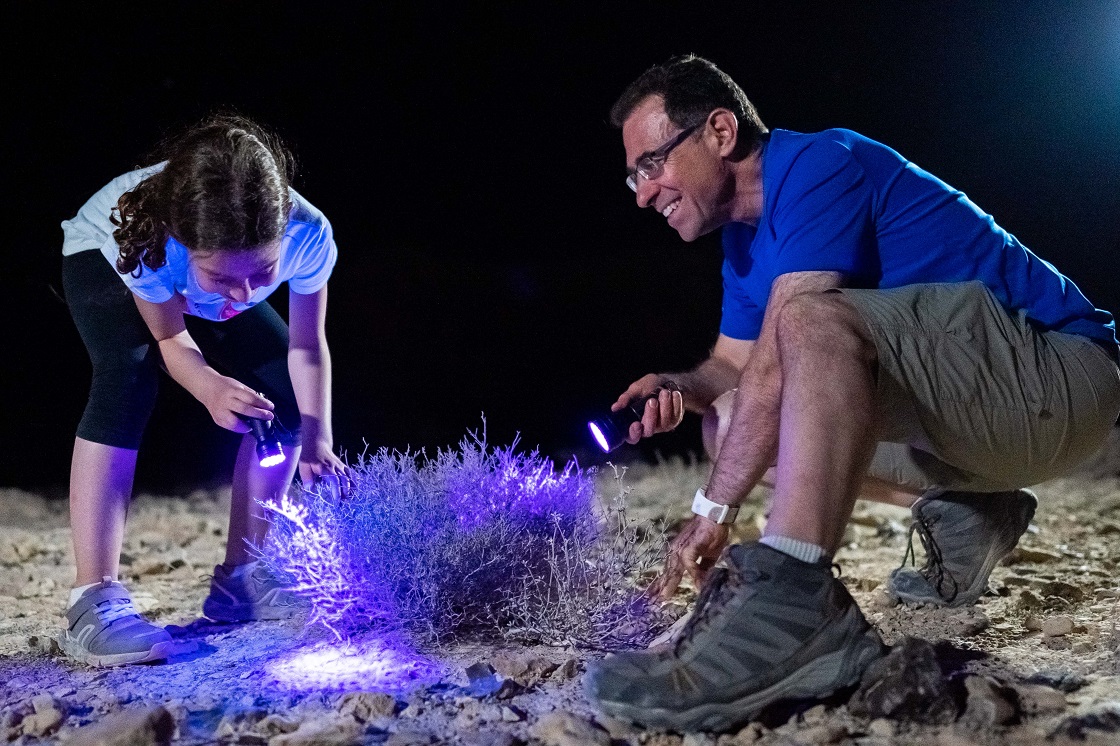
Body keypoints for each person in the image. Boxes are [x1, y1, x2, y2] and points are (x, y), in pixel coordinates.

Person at [584, 55, 1120, 732]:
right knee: (727, 423)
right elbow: (731, 370)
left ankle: (793, 603)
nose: (641, 192)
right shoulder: (745, 248)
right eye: (633, 175)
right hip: (988, 419)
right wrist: (681, 386)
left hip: (1062, 376)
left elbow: (787, 348)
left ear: (720, 132)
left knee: (807, 323)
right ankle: (970, 507)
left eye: (652, 164)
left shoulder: (818, 165)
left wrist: (711, 509)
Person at [59, 114, 350, 667]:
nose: (243, 295)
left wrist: (317, 437)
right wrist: (211, 388)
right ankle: (92, 600)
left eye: (263, 273)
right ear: (185, 245)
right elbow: (170, 339)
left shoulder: (308, 234)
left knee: (286, 401)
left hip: (191, 268)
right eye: (222, 279)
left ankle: (242, 578)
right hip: (104, 256)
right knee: (128, 374)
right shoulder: (146, 236)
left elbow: (307, 348)